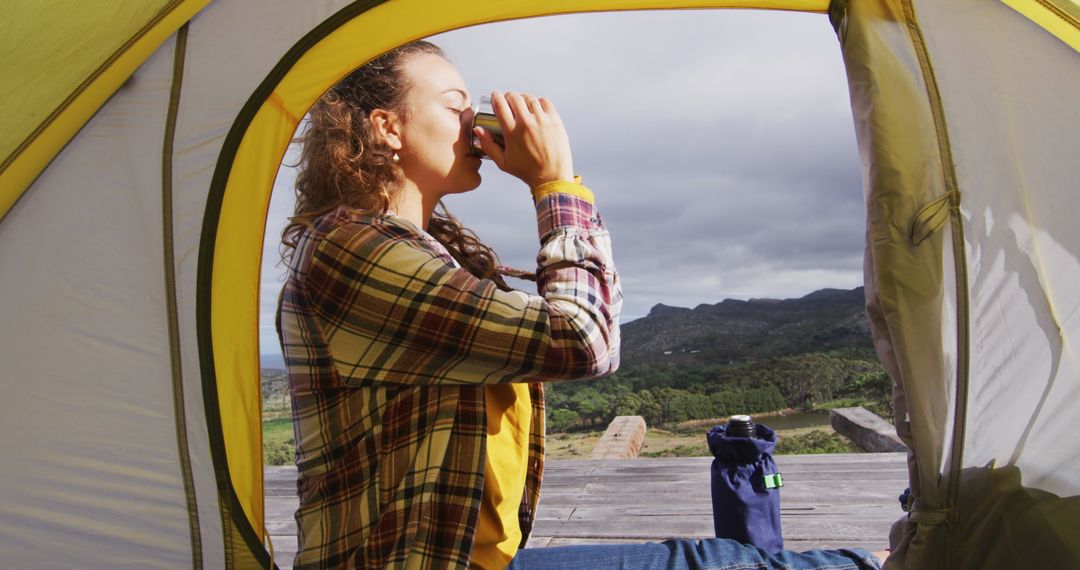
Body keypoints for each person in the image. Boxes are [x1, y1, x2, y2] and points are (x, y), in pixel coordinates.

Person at [277, 40, 881, 570]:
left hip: (469, 559)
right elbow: (582, 341)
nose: (476, 121)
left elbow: (600, 321)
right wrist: (555, 184)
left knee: (727, 560)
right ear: (387, 127)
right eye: (456, 104)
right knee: (723, 563)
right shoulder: (349, 250)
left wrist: (565, 189)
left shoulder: (425, 251)